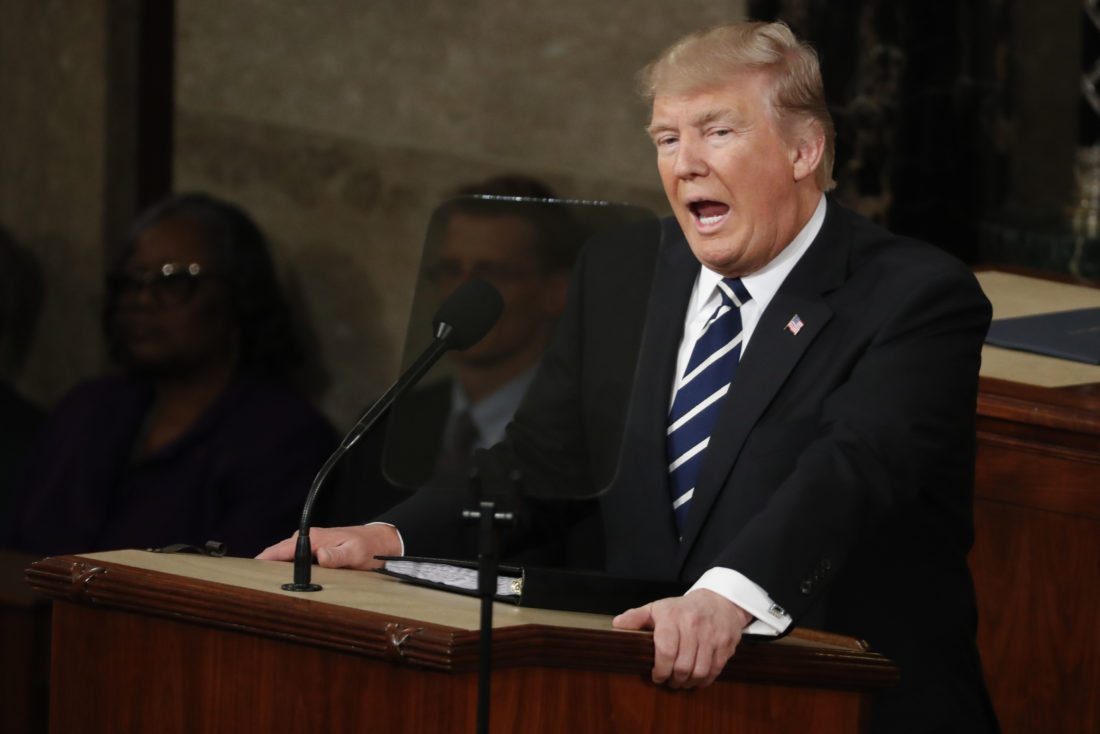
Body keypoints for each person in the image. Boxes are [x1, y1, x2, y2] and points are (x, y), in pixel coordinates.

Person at [260, 22, 997, 732]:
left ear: (805, 148)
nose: (686, 164)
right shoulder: (625, 271)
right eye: (667, 139)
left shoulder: (913, 296)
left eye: (718, 131)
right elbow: (541, 461)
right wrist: (392, 535)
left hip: (852, 705)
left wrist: (726, 599)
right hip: (645, 701)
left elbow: (851, 470)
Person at [6, 193, 336, 558]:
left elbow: (239, 582)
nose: (142, 301)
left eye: (172, 280)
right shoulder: (87, 409)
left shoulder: (285, 440)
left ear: (237, 292)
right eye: (132, 281)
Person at [315, 176, 583, 527]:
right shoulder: (386, 426)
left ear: (556, 290)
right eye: (450, 270)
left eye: (492, 273)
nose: (463, 291)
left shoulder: (580, 437)